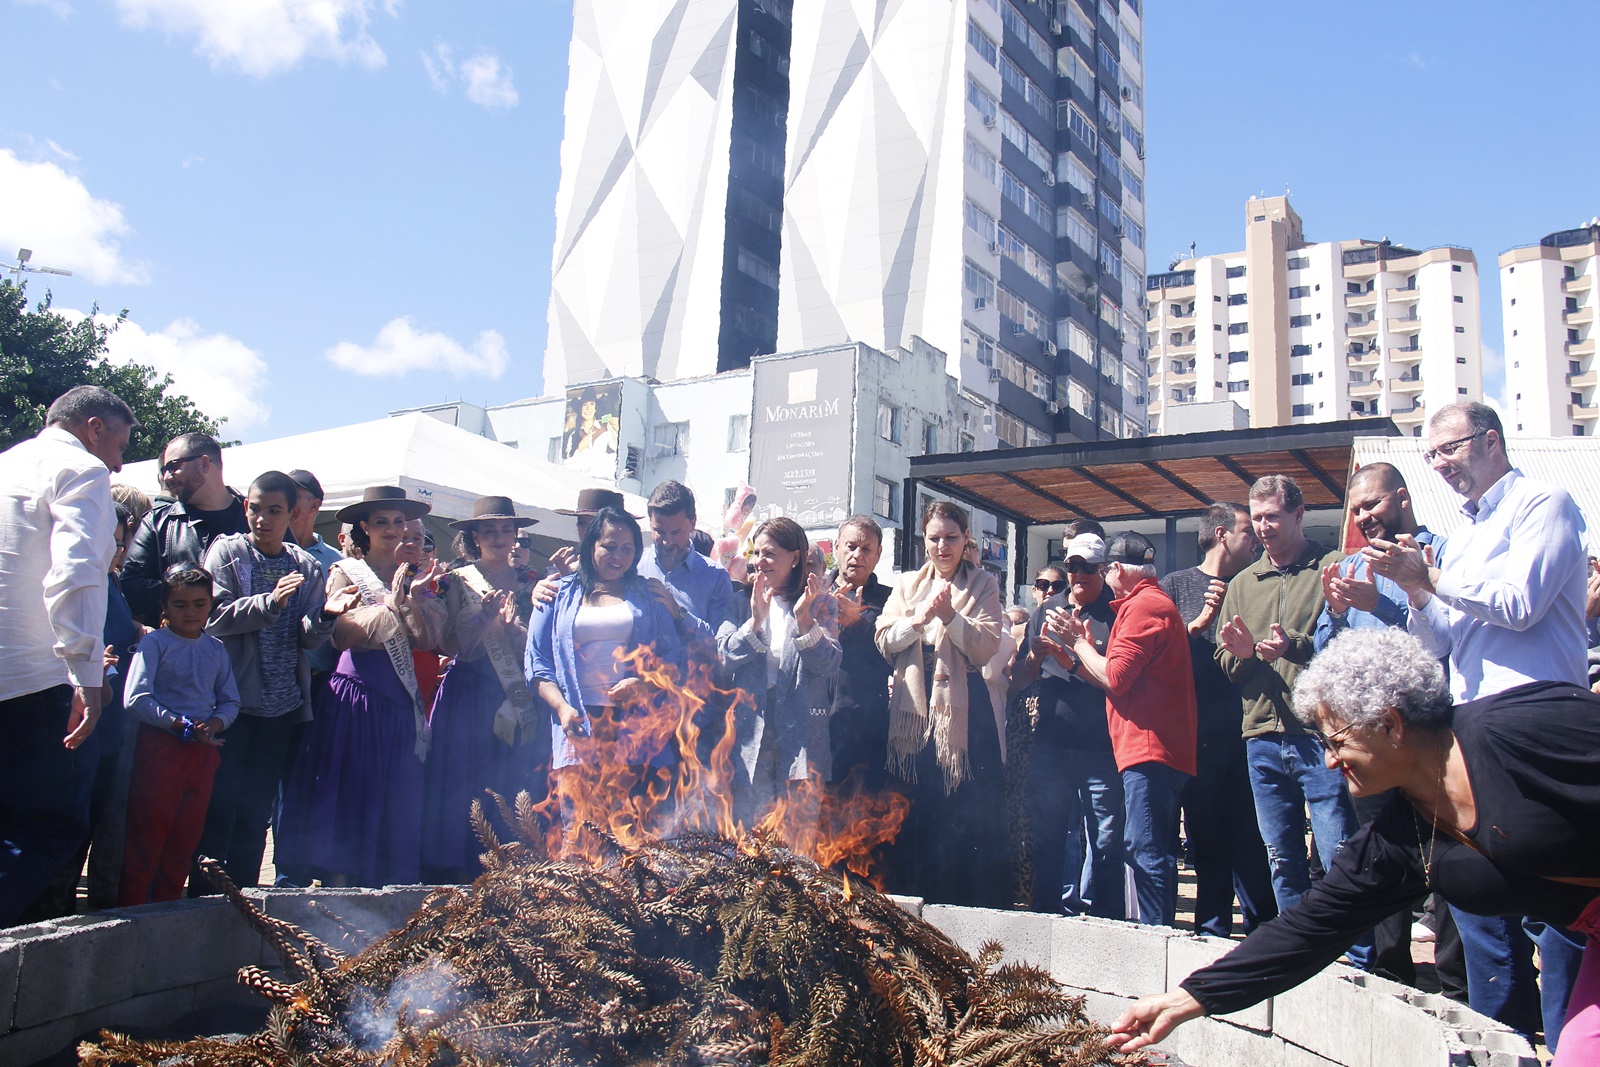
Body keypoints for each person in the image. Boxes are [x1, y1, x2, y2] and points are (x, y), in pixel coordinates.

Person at [1106, 627, 1600, 1064]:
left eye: (1335, 740)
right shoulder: (1399, 837)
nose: (1327, 761)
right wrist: (1189, 998)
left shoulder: (1522, 728)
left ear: (1390, 724)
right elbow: (1313, 926)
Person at [1376, 401, 1590, 1045]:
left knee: (1555, 917)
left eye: (1450, 449)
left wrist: (1431, 575)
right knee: (1483, 907)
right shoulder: (1462, 532)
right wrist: (1416, 593)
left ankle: (1566, 1040)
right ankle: (1506, 1044)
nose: (1441, 465)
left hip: (1542, 731)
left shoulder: (1544, 505)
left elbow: (1521, 604)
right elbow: (1441, 641)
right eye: (1431, 454)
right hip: (1475, 731)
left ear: (1491, 440)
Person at [0, 385, 134, 926]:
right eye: (121, 445)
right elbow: (77, 572)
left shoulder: (7, 465)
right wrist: (85, 674)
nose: (121, 462)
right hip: (36, 680)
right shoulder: (82, 470)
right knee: (48, 827)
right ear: (94, 428)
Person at [1312, 462, 1444, 986]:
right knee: (1382, 857)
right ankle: (1391, 972)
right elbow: (1326, 651)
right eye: (1357, 509)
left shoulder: (1435, 554)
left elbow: (1443, 639)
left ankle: (1457, 982)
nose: (1365, 517)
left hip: (1426, 737)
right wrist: (1341, 615)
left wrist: (1380, 607)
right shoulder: (1347, 567)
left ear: (1403, 498)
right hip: (1369, 744)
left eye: (1374, 504)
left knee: (1447, 858)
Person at [1216, 476, 1361, 944]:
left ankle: (1357, 957)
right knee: (1281, 856)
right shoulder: (1241, 584)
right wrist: (1240, 653)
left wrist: (1291, 648)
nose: (1263, 527)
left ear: (1298, 514)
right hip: (1261, 736)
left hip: (1321, 737)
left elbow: (1349, 647)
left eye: (1272, 516)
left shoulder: (1332, 568)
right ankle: (1298, 955)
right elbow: (1225, 660)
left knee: (1340, 851)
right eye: (1256, 518)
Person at [276, 487, 442, 888]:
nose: (391, 530)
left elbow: (430, 640)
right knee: (350, 795)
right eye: (381, 522)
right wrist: (390, 606)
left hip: (401, 704)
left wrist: (412, 599)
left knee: (395, 799)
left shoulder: (422, 576)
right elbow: (340, 634)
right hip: (356, 699)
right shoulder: (346, 572)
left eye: (398, 522)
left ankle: (387, 901)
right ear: (364, 528)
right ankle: (341, 893)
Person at [193, 471, 337, 893]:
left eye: (274, 511)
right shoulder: (227, 554)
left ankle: (243, 897)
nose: (263, 519)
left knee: (256, 812)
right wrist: (268, 602)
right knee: (219, 807)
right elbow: (210, 619)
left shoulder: (305, 564)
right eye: (255, 509)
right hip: (230, 708)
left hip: (281, 709)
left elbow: (307, 636)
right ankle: (202, 898)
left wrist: (326, 616)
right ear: (246, 508)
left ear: (292, 514)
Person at [1050, 532, 1196, 927]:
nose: (1090, 576)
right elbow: (1118, 676)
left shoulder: (1143, 607)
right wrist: (1078, 663)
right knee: (1144, 846)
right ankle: (1153, 936)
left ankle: (1154, 943)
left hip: (1149, 748)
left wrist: (1077, 644)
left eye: (1099, 569)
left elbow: (1115, 677)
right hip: (1151, 746)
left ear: (1115, 569)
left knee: (1145, 849)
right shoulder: (1151, 602)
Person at [875, 501, 1007, 910]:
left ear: (966, 539)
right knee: (918, 812)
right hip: (915, 713)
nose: (943, 546)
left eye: (951, 537)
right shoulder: (906, 585)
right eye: (934, 538)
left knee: (965, 816)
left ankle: (965, 912)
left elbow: (986, 649)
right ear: (924, 541)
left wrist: (951, 617)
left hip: (964, 713)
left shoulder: (984, 583)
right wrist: (915, 623)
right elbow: (882, 640)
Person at [1160, 502, 1275, 939]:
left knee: (1252, 843)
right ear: (1223, 534)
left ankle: (1265, 938)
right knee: (1206, 844)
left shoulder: (1257, 583)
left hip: (1249, 733)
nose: (1259, 538)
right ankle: (1209, 939)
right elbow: (1163, 659)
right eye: (1249, 530)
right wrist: (1201, 622)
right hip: (1197, 738)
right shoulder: (1176, 586)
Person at [525, 506, 686, 803]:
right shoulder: (556, 593)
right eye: (609, 547)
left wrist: (645, 685)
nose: (618, 557)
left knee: (636, 830)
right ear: (591, 546)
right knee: (583, 829)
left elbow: (673, 660)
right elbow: (537, 665)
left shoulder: (648, 594)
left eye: (627, 549)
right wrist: (562, 708)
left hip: (635, 727)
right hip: (579, 723)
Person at [422, 496, 545, 884]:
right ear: (474, 536)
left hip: (514, 697)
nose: (497, 537)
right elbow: (450, 646)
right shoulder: (454, 579)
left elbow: (539, 646)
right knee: (463, 782)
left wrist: (513, 630)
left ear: (515, 535)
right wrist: (486, 620)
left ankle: (510, 869)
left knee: (512, 783)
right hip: (468, 697)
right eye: (488, 530)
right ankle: (458, 870)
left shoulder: (531, 581)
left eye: (504, 529)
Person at [117, 564, 240, 905]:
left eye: (199, 604)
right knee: (147, 835)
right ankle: (133, 912)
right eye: (180, 604)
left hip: (202, 753)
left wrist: (213, 725)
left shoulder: (215, 649)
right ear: (165, 607)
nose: (190, 612)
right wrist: (179, 724)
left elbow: (230, 700)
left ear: (210, 605)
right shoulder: (155, 644)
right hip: (161, 750)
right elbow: (136, 698)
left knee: (185, 839)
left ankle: (168, 910)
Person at [1015, 537, 1125, 918]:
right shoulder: (1047, 610)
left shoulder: (1116, 612)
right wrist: (1035, 655)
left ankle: (1107, 925)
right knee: (1047, 840)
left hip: (1102, 748)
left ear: (1104, 569)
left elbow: (1117, 679)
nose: (1079, 575)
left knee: (1108, 845)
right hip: (1052, 745)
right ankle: (1046, 920)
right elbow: (1018, 680)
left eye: (1089, 567)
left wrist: (1074, 652)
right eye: (1072, 566)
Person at [717, 517, 841, 824]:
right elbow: (722, 656)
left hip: (801, 738)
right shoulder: (740, 601)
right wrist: (755, 623)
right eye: (756, 553)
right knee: (750, 839)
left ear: (795, 557)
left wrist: (804, 621)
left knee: (796, 844)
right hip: (750, 735)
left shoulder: (821, 604)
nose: (760, 561)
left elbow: (829, 663)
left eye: (769, 553)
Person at [122, 433, 248, 626]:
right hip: (179, 652)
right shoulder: (156, 523)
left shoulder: (257, 519)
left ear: (205, 464)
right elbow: (131, 587)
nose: (166, 477)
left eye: (173, 467)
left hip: (247, 652)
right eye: (164, 469)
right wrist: (191, 593)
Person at [637, 481, 741, 677]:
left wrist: (679, 614)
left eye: (676, 532)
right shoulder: (634, 569)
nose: (667, 542)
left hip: (693, 700)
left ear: (693, 523)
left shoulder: (715, 577)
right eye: (659, 531)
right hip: (642, 700)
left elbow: (721, 648)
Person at [827, 516, 893, 789]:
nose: (857, 555)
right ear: (835, 548)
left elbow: (892, 658)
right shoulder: (810, 594)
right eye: (851, 546)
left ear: (878, 554)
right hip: (815, 727)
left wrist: (857, 626)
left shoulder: (892, 600)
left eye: (866, 549)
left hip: (867, 725)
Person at [287, 470, 344, 698]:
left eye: (294, 494)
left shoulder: (336, 562)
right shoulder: (265, 553)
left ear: (315, 505)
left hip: (320, 680)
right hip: (272, 679)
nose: (286, 500)